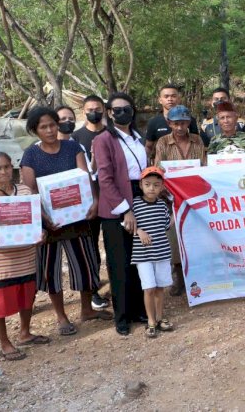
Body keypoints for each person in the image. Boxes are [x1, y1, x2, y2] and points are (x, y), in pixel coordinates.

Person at [20, 107, 110, 336]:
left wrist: (95, 201)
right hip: (49, 223)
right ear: (35, 130)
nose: (50, 130)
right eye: (43, 127)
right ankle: (61, 316)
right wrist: (43, 218)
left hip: (78, 219)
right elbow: (29, 191)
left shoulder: (71, 147)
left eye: (52, 124)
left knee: (86, 264)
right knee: (50, 270)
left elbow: (85, 177)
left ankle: (86, 309)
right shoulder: (30, 155)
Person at [0, 152, 49, 360]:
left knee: (26, 296)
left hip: (24, 256)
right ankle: (5, 343)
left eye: (6, 167)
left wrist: (41, 233)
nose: (3, 171)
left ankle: (25, 333)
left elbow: (35, 222)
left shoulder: (24, 191)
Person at [93, 92, 148, 336]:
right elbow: (104, 178)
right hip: (117, 208)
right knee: (120, 263)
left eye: (127, 108)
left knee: (138, 261)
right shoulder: (103, 140)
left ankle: (138, 310)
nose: (123, 112)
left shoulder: (138, 138)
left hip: (140, 198)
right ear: (109, 113)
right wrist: (125, 210)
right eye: (117, 109)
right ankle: (122, 316)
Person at [154, 105, 205, 296]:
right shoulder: (162, 143)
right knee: (174, 239)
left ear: (189, 122)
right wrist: (171, 192)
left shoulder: (198, 140)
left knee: (196, 239)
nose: (180, 127)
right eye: (176, 123)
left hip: (194, 197)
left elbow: (203, 167)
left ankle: (198, 275)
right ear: (169, 123)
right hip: (171, 199)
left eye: (183, 122)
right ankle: (178, 277)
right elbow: (159, 170)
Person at [65, 101, 111, 310]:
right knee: (91, 248)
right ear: (83, 112)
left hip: (112, 201)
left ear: (104, 110)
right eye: (89, 110)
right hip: (89, 204)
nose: (94, 113)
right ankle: (93, 291)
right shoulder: (76, 139)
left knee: (113, 247)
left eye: (97, 109)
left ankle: (117, 287)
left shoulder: (113, 133)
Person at [131, 167, 175, 338]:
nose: (151, 188)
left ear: (162, 187)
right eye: (147, 184)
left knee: (159, 288)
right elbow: (127, 224)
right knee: (148, 288)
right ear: (141, 185)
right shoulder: (135, 204)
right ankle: (150, 321)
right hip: (143, 255)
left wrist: (177, 212)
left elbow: (166, 225)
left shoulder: (162, 205)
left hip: (162, 253)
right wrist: (139, 231)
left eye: (156, 185)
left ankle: (160, 318)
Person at [144, 84, 200, 160]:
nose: (170, 99)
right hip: (163, 166)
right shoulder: (153, 122)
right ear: (160, 100)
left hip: (188, 164)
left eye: (173, 96)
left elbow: (196, 143)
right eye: (166, 96)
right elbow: (148, 146)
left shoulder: (190, 120)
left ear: (179, 99)